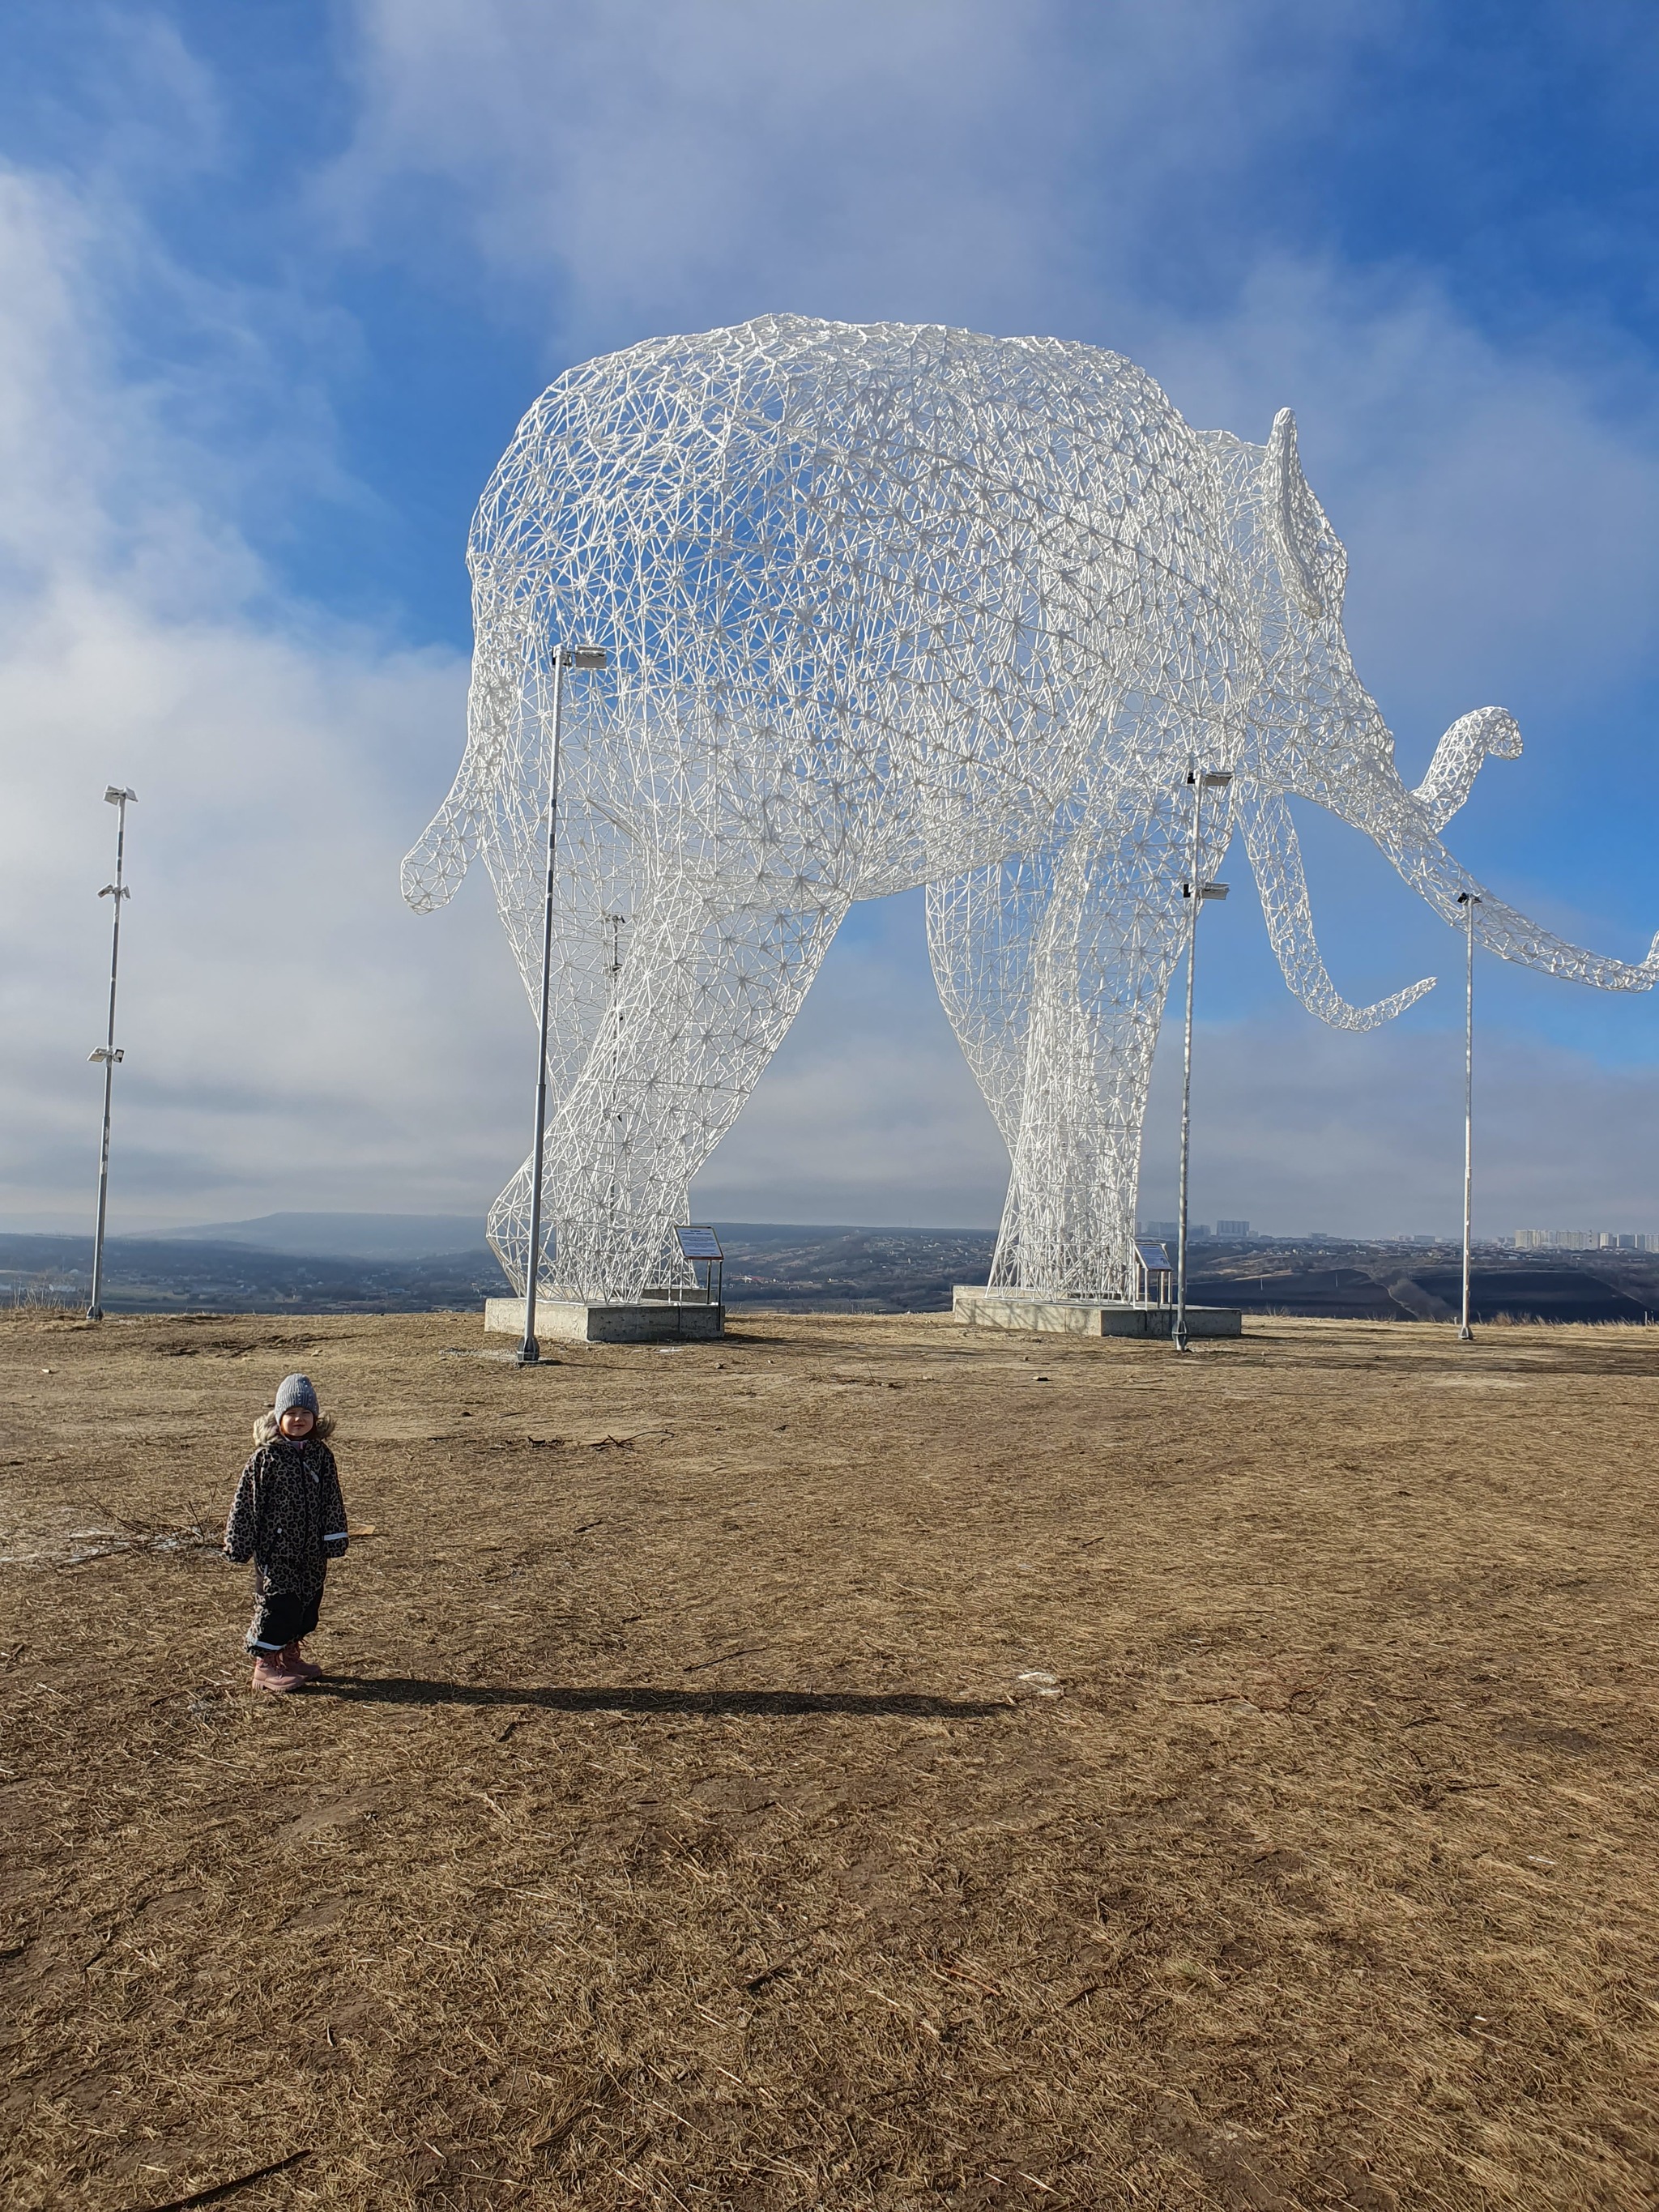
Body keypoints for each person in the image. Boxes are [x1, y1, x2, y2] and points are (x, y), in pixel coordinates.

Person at [224, 1374, 349, 1694]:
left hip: (312, 1551)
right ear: (279, 1417)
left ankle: (289, 1656)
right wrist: (238, 1543)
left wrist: (334, 1537)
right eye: (291, 1413)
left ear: (315, 1418)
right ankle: (265, 1665)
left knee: (307, 1603)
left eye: (305, 1413)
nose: (298, 1419)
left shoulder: (321, 1456)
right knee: (278, 1603)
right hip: (277, 1550)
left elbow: (332, 1498)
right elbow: (245, 1504)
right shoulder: (266, 1458)